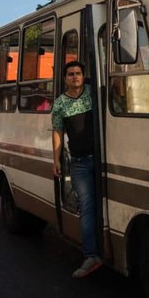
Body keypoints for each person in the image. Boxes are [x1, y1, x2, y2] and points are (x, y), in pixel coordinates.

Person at [52, 61, 102, 278]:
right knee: (87, 207)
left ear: (84, 76)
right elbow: (57, 133)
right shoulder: (60, 104)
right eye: (71, 74)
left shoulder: (94, 93)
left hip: (102, 160)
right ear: (65, 79)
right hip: (80, 163)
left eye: (78, 73)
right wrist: (56, 160)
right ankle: (91, 255)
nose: (75, 77)